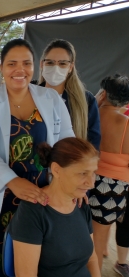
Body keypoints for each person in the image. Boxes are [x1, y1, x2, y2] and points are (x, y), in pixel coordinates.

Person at [0, 39, 75, 276]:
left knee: (30, 263)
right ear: (2, 67)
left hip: (42, 194)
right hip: (0, 195)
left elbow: (67, 143)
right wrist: (12, 181)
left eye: (26, 63)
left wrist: (74, 183)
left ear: (35, 66)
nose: (19, 70)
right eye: (12, 63)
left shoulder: (51, 99)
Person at [9, 137, 100, 277]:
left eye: (93, 173)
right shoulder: (33, 211)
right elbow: (26, 274)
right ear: (56, 170)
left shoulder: (81, 204)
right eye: (83, 173)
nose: (91, 183)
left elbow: (92, 259)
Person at [89, 74, 129, 274]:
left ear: (103, 93)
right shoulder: (126, 123)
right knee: (99, 238)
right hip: (113, 188)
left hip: (84, 180)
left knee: (90, 235)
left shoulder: (90, 115)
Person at [37, 39, 101, 150]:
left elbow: (93, 145)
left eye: (62, 63)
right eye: (50, 63)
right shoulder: (29, 94)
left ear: (71, 67)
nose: (55, 68)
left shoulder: (86, 100)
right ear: (42, 64)